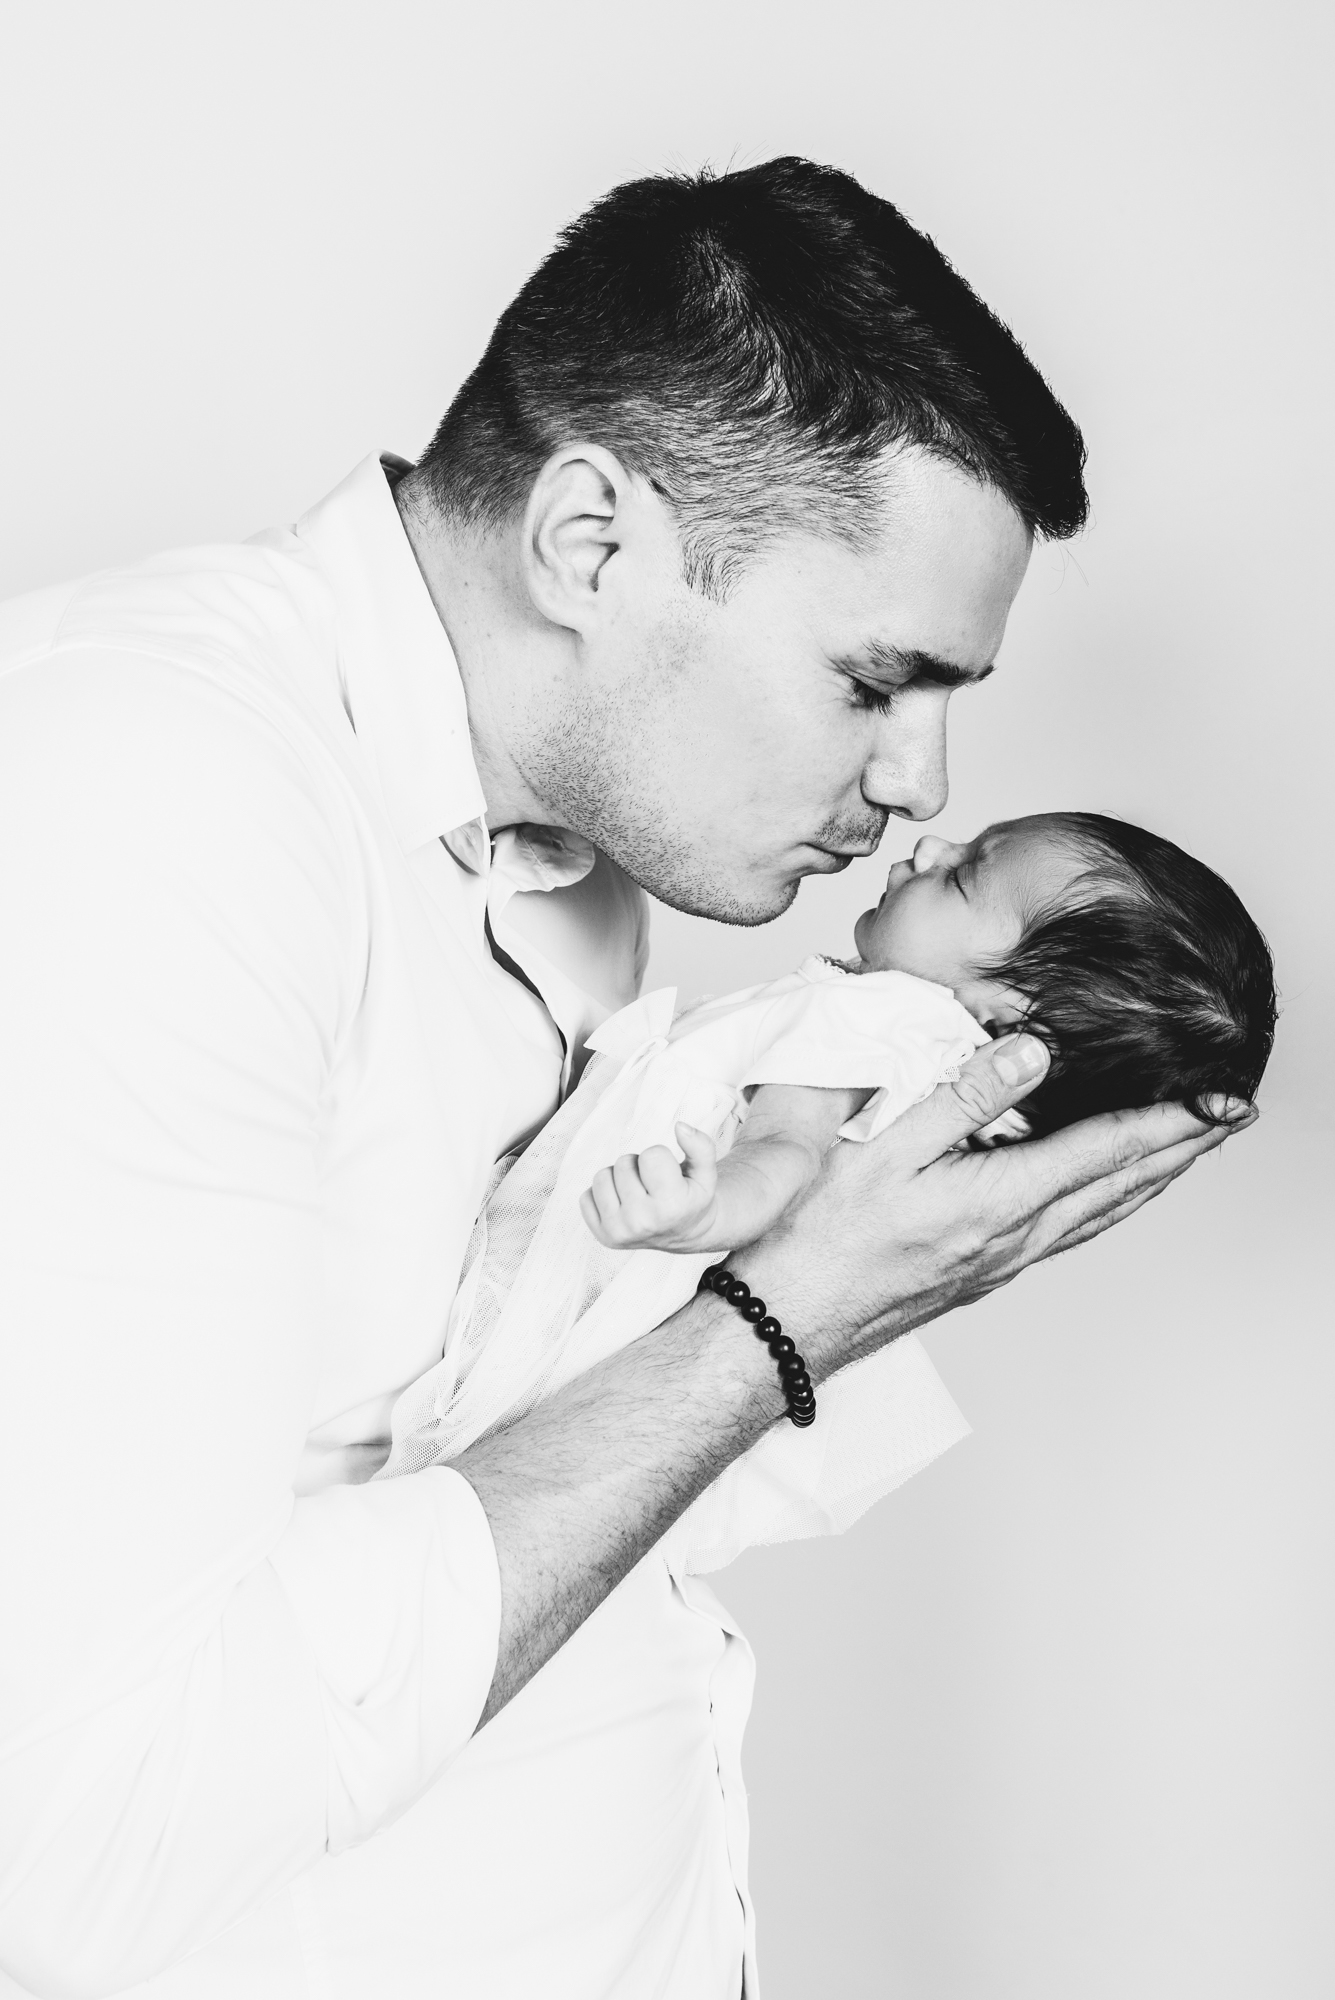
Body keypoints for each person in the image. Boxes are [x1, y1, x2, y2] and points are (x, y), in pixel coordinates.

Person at [0, 159, 1255, 2000]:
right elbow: (74, 1852)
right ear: (592, 543)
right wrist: (778, 1327)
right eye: (876, 681)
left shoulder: (574, 888)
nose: (924, 784)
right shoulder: (160, 804)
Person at [379, 810, 1275, 1575]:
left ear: (1005, 1022)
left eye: (964, 877)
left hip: (604, 1269)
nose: (927, 850)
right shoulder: (897, 1045)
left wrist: (712, 1205)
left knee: (435, 1472)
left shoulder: (880, 1020)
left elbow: (787, 1148)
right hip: (623, 1295)